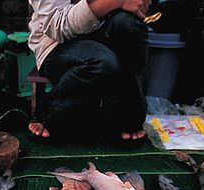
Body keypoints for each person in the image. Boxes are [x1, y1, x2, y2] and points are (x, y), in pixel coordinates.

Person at [27, 0, 150, 144]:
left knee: (129, 24)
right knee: (103, 62)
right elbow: (57, 25)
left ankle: (127, 115)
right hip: (56, 43)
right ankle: (49, 112)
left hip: (104, 33)